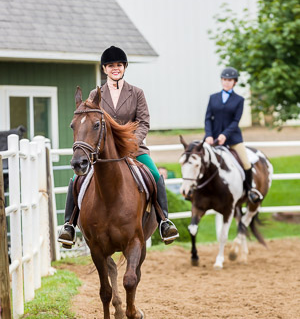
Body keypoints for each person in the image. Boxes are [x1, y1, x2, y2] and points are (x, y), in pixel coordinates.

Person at [58, 45, 179, 248]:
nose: (115, 68)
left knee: (156, 176)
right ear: (104, 69)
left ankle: (164, 221)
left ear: (124, 67)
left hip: (134, 149)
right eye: (111, 65)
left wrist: (132, 143)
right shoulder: (95, 94)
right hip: (102, 152)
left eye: (119, 65)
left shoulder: (137, 93)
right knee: (75, 180)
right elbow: (89, 122)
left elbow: (143, 122)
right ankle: (69, 225)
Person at [204, 66, 263, 204]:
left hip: (233, 138)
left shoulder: (239, 100)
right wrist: (209, 135)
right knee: (199, 158)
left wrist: (225, 135)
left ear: (234, 82)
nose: (226, 82)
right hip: (213, 137)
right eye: (224, 79)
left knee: (246, 163)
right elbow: (208, 118)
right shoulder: (213, 98)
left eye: (229, 80)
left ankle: (249, 190)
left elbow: (236, 121)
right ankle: (197, 189)